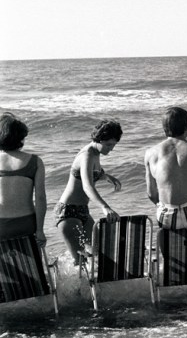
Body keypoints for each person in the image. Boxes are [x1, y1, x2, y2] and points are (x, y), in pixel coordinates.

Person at [55, 119, 123, 263]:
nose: (111, 149)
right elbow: (87, 186)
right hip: (68, 212)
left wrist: (105, 176)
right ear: (99, 139)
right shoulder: (87, 155)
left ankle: (97, 284)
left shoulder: (96, 152)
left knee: (100, 254)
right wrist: (105, 207)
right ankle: (77, 285)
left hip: (83, 211)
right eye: (108, 144)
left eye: (114, 145)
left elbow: (89, 173)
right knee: (80, 262)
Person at [0, 113, 46, 245]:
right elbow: (40, 197)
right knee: (31, 263)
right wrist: (40, 231)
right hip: (26, 223)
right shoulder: (35, 161)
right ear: (21, 137)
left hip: (1, 224)